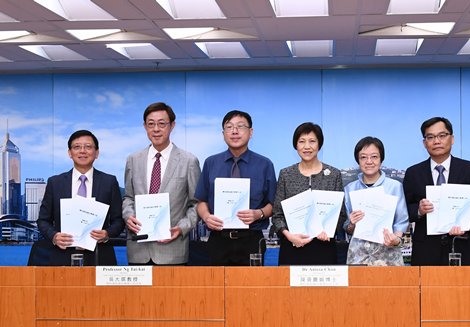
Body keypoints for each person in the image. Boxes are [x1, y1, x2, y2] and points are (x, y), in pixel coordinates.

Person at [122, 102, 200, 265]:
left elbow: (196, 204)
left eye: (162, 124)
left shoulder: (189, 161)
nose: (156, 129)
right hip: (138, 250)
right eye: (151, 124)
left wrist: (182, 228)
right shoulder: (133, 160)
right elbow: (128, 198)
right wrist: (129, 216)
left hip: (172, 250)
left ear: (172, 125)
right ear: (145, 126)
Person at [403, 116, 470, 266]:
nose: (437, 141)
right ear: (424, 143)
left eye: (442, 135)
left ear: (452, 139)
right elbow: (404, 210)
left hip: (463, 245)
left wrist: (465, 224)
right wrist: (419, 210)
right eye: (430, 137)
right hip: (426, 250)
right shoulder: (413, 173)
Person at [196, 110, 276, 265]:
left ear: (251, 132)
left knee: (251, 282)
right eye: (229, 127)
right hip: (218, 240)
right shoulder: (211, 163)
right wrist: (206, 217)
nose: (234, 131)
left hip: (252, 240)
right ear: (223, 133)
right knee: (217, 281)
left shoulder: (264, 164)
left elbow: (273, 205)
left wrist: (258, 214)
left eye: (240, 126)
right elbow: (201, 200)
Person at [36, 130, 124, 265]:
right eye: (77, 147)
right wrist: (54, 236)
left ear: (96, 153)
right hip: (62, 256)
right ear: (69, 153)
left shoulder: (109, 182)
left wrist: (107, 234)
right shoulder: (55, 183)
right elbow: (43, 220)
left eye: (88, 147)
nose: (82, 151)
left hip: (100, 255)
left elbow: (119, 220)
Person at [272, 122, 345, 265]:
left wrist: (329, 231)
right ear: (296, 145)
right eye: (302, 141)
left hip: (324, 246)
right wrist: (288, 235)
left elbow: (341, 214)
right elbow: (277, 214)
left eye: (312, 141)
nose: (307, 146)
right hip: (292, 246)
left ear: (319, 145)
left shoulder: (333, 174)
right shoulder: (286, 174)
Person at [344, 136, 409, 266]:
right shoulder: (350, 189)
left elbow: (401, 221)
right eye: (363, 157)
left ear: (381, 159)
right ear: (358, 161)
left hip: (388, 254)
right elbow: (347, 227)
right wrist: (351, 223)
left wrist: (395, 239)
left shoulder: (395, 187)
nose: (369, 161)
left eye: (374, 157)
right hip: (358, 255)